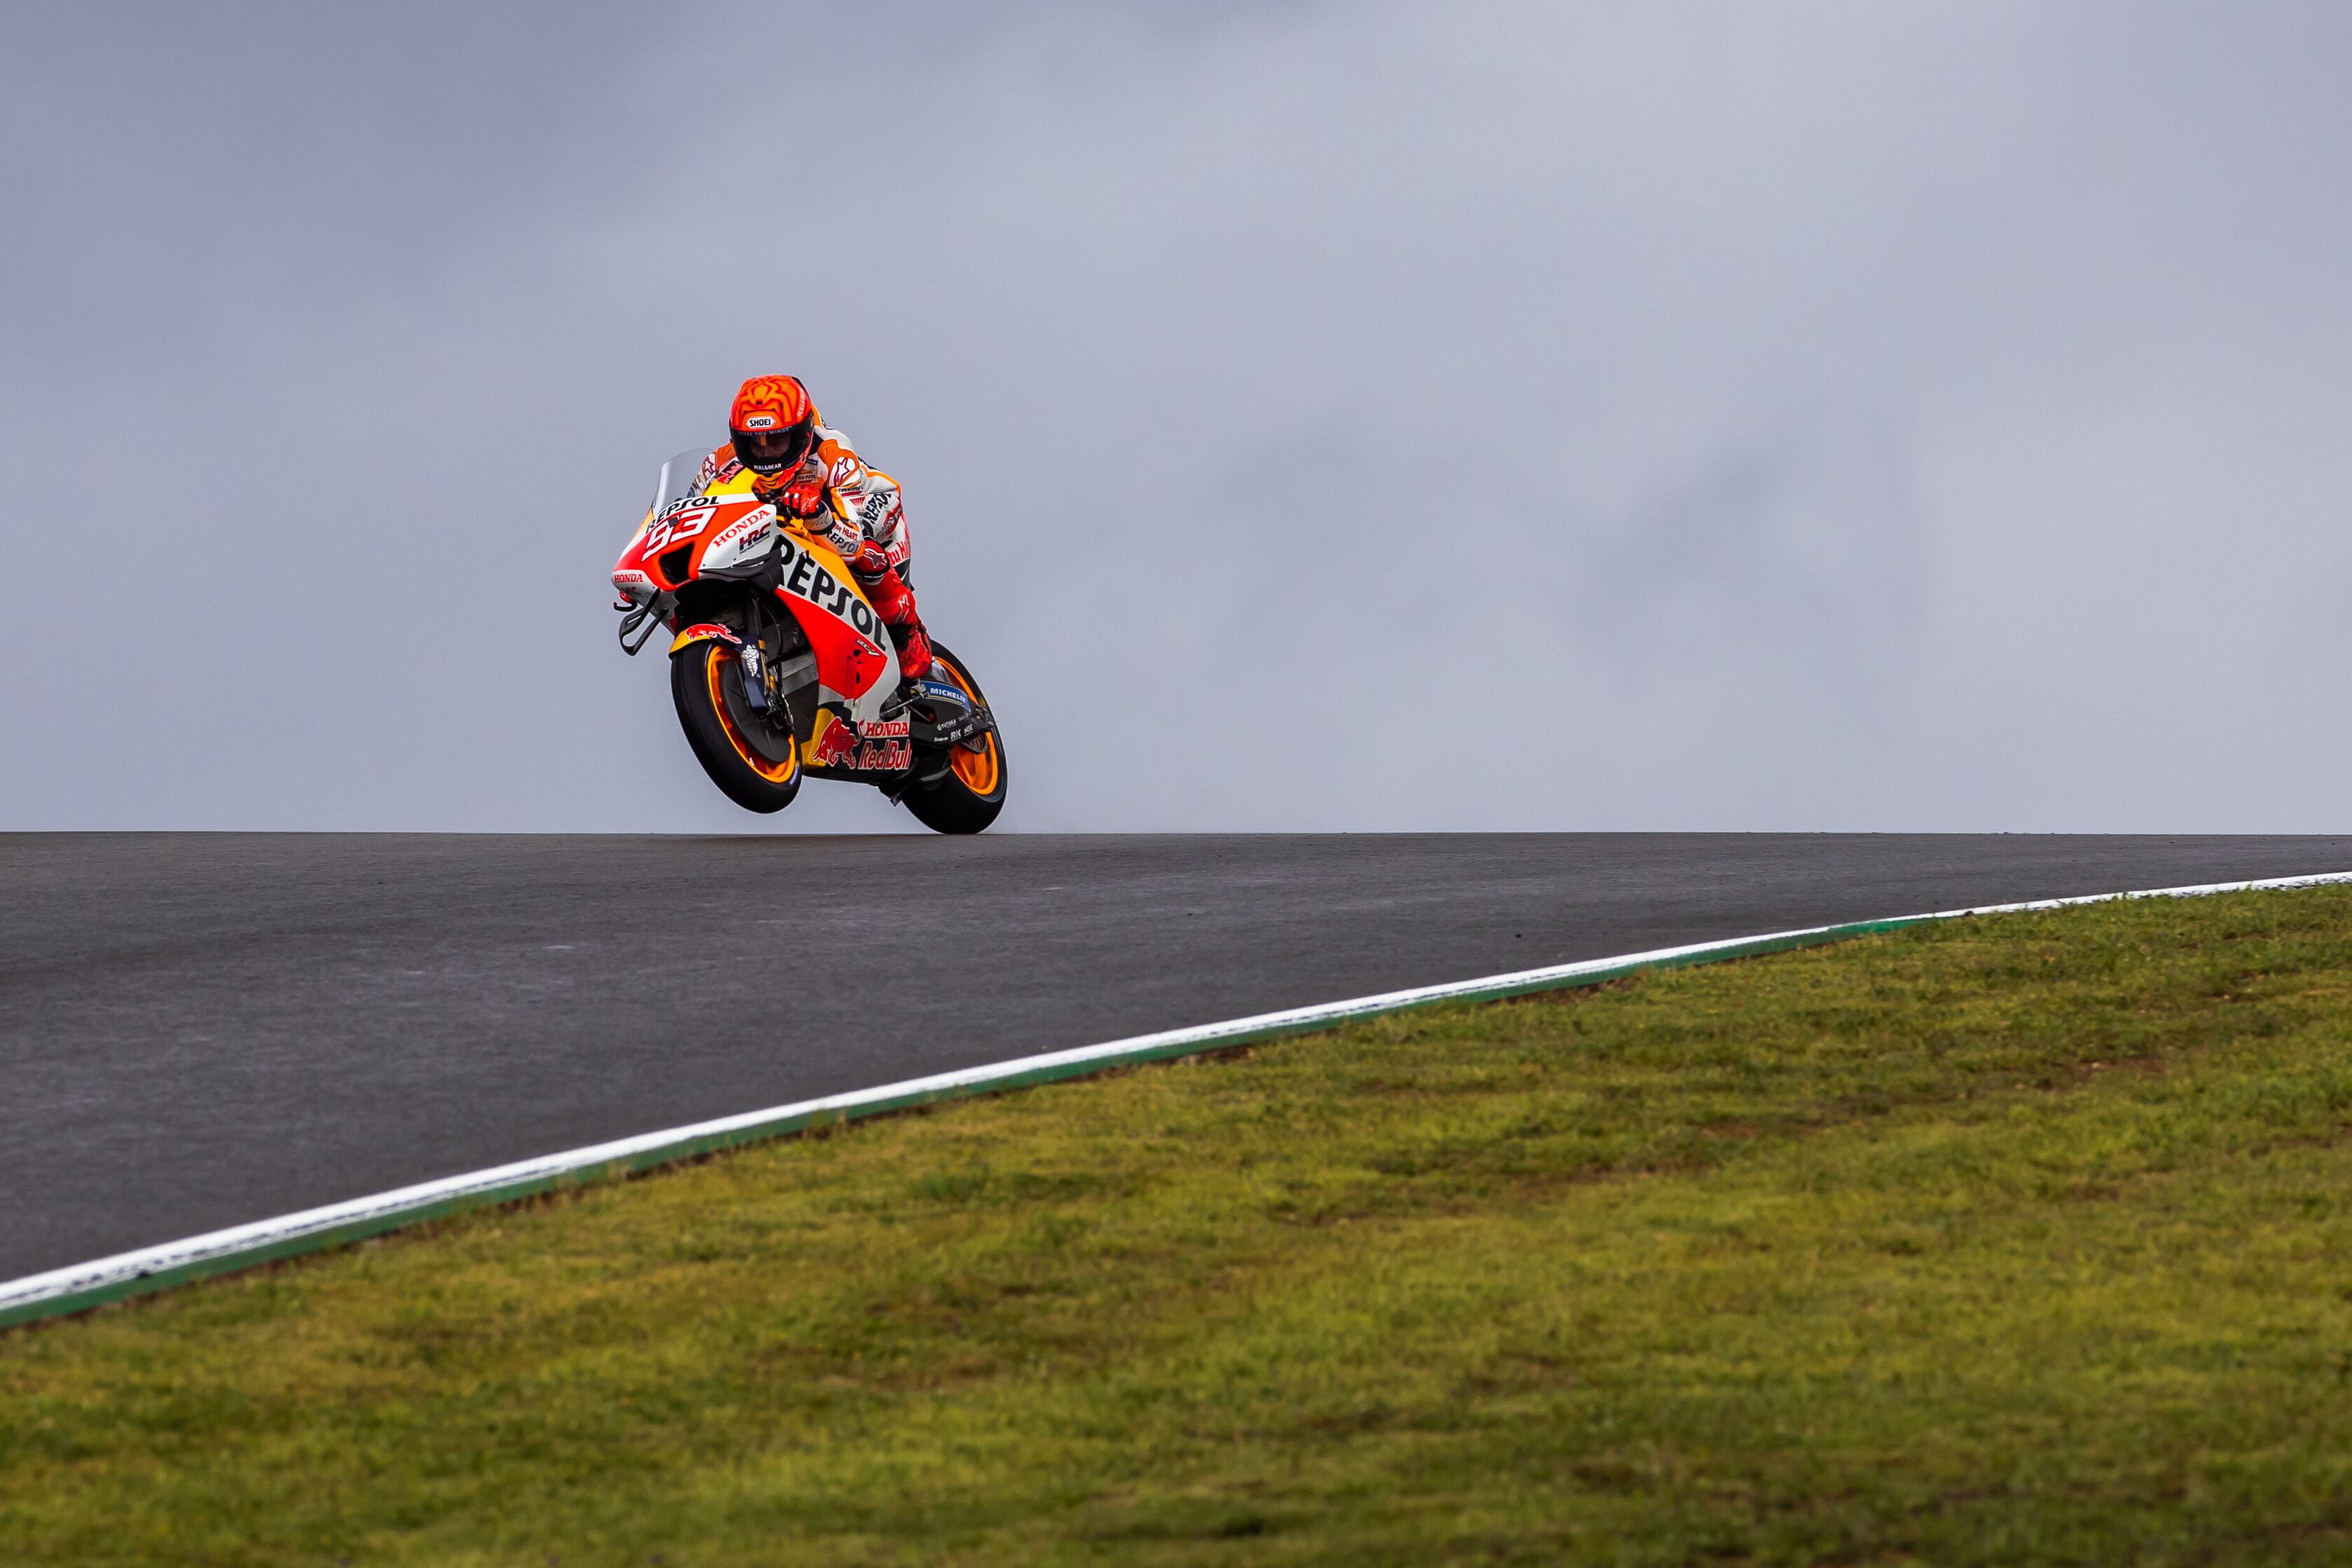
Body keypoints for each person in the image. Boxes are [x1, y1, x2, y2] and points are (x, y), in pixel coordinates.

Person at [697, 373, 932, 680]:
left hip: (862, 511)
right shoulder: (719, 463)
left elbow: (854, 541)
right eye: (755, 445)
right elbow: (686, 511)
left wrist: (819, 515)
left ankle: (907, 632)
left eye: (777, 441)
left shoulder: (834, 454)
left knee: (866, 556)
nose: (766, 453)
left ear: (800, 434)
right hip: (783, 529)